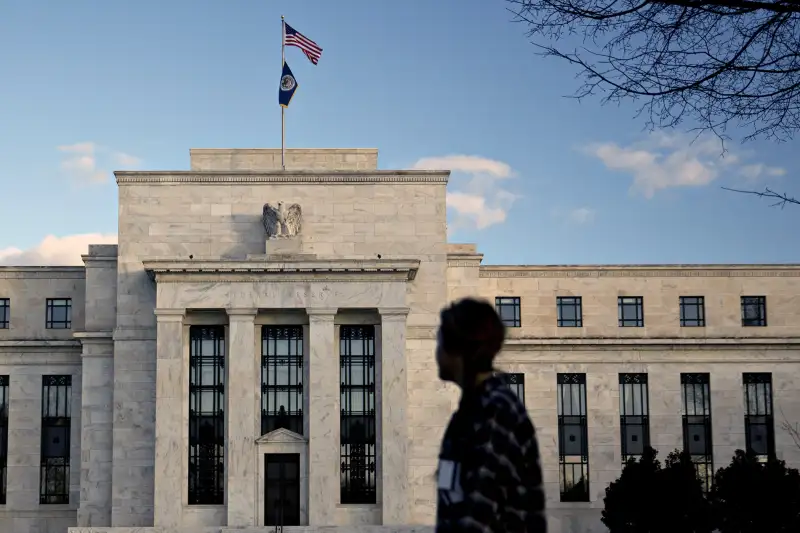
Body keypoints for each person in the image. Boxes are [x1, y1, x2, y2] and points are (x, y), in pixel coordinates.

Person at [435, 297, 546, 533]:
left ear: (459, 349)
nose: (436, 351)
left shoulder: (495, 410)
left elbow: (479, 511)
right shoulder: (470, 412)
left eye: (440, 341)